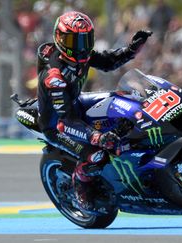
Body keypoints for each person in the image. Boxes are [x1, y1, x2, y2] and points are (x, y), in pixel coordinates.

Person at [36, 11, 152, 213]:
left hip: (76, 103)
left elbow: (107, 62)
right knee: (97, 155)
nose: (81, 47)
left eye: (85, 39)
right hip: (57, 125)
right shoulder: (54, 77)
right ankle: (81, 187)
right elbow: (66, 121)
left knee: (122, 101)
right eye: (74, 40)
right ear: (60, 38)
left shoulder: (82, 55)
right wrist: (97, 137)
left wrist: (132, 50)